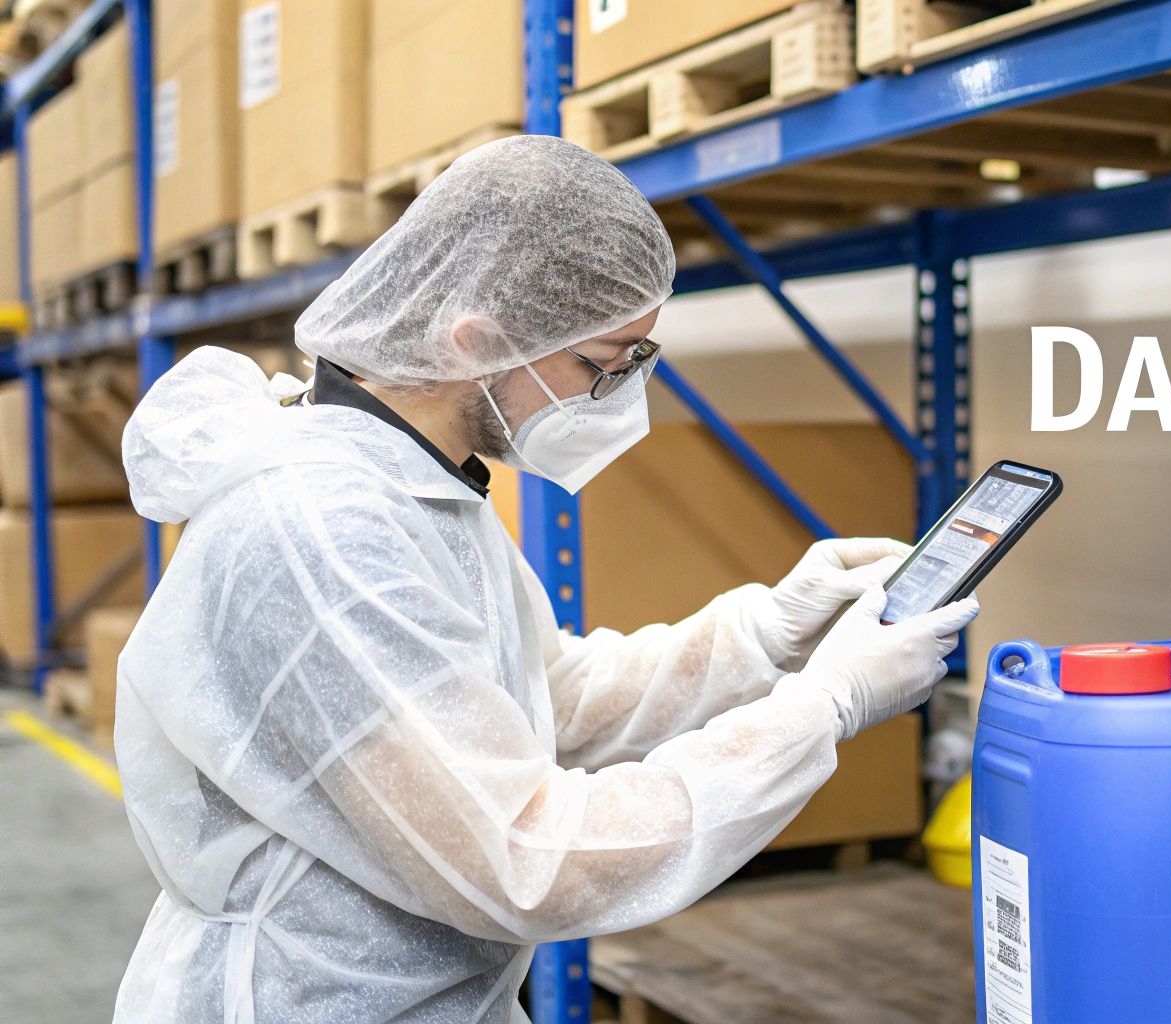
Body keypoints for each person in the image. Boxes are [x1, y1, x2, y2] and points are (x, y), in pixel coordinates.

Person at [111, 135, 977, 1023]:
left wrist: (764, 635)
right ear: (475, 340)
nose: (617, 398)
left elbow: (540, 700)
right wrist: (819, 711)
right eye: (602, 364)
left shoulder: (420, 482)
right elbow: (526, 856)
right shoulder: (322, 532)